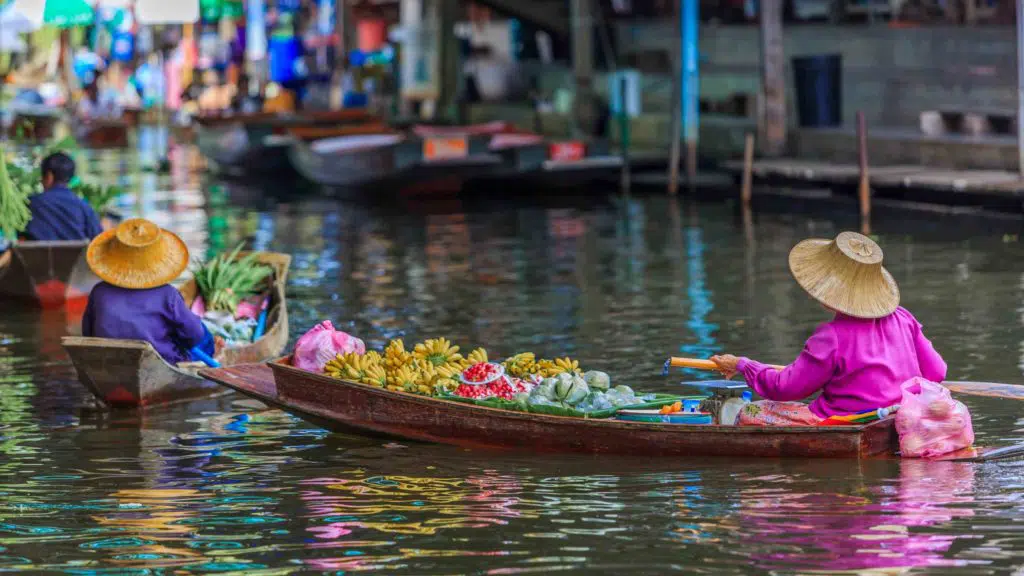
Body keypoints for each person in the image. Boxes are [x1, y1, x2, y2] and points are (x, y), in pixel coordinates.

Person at [710, 231, 947, 426]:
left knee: (750, 411)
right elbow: (937, 372)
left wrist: (744, 365)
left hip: (847, 421)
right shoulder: (903, 317)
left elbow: (786, 387)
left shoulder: (831, 336)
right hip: (899, 416)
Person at [81, 218, 217, 366]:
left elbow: (88, 332)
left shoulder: (99, 292)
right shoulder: (168, 295)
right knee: (202, 333)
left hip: (108, 361)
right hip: (162, 361)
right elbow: (195, 334)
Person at [21, 153, 103, 242]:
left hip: (37, 256)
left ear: (49, 176)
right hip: (76, 255)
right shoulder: (83, 206)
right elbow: (98, 240)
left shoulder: (31, 204)